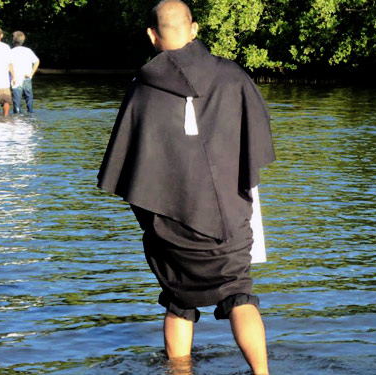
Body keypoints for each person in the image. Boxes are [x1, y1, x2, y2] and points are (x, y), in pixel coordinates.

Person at [97, 1, 275, 374]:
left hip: (170, 216)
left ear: (151, 35)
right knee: (239, 293)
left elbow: (127, 162)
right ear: (194, 29)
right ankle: (262, 374)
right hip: (228, 213)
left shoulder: (141, 87)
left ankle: (180, 373)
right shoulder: (232, 76)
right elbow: (255, 144)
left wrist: (154, 217)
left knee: (178, 300)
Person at [10, 31, 40, 113]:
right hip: (27, 78)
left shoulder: (10, 52)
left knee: (17, 105)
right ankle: (30, 120)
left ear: (13, 40)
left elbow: (9, 65)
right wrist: (32, 73)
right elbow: (37, 61)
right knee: (29, 104)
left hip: (16, 80)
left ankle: (17, 121)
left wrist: (12, 76)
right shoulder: (28, 50)